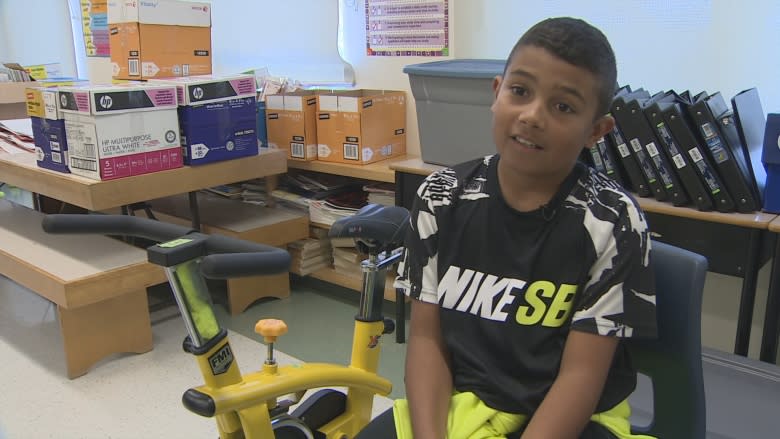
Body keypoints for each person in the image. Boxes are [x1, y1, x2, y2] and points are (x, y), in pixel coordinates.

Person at [356, 17, 657, 439]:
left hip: (569, 419)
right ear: (496, 94)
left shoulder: (612, 219)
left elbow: (581, 376)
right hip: (464, 406)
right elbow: (426, 341)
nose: (532, 116)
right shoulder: (441, 197)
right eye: (520, 91)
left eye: (563, 106)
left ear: (596, 131)